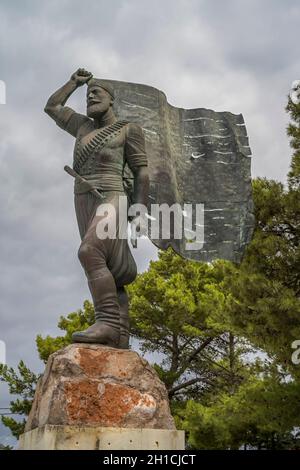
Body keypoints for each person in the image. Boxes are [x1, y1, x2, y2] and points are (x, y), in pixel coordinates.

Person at [44, 68, 149, 348]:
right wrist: (73, 83)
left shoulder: (128, 129)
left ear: (111, 99)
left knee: (90, 250)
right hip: (82, 197)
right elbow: (52, 107)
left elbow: (141, 171)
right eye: (88, 95)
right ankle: (121, 337)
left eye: (96, 93)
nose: (90, 97)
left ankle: (107, 323)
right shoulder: (82, 126)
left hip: (113, 194)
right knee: (109, 265)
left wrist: (139, 206)